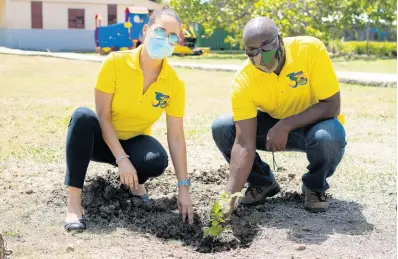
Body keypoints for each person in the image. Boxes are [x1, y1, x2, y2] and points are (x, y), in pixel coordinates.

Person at [64, 5, 193, 231]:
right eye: (161, 31)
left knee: (156, 160)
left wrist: (183, 187)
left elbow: (176, 137)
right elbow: (103, 116)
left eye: (173, 36)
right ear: (145, 30)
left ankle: (134, 185)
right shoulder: (115, 62)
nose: (166, 39)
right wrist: (122, 159)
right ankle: (74, 202)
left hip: (134, 141)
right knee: (83, 117)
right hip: (100, 140)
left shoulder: (175, 83)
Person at [212, 17, 347, 214]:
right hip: (271, 129)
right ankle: (262, 182)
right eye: (253, 51)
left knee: (329, 137)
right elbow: (243, 144)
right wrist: (228, 199)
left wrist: (285, 125)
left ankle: (314, 186)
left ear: (280, 39)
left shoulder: (310, 49)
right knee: (223, 127)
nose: (261, 56)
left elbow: (332, 106)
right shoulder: (244, 81)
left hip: (315, 125)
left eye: (267, 46)